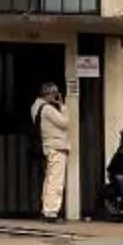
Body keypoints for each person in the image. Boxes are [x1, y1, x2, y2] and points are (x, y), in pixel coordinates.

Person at [34, 81, 73, 222]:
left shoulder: (36, 106)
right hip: (56, 146)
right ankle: (51, 211)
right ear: (49, 94)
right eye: (54, 94)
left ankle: (46, 208)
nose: (55, 97)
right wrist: (62, 106)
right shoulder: (48, 109)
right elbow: (65, 123)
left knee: (49, 179)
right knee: (56, 180)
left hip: (48, 145)